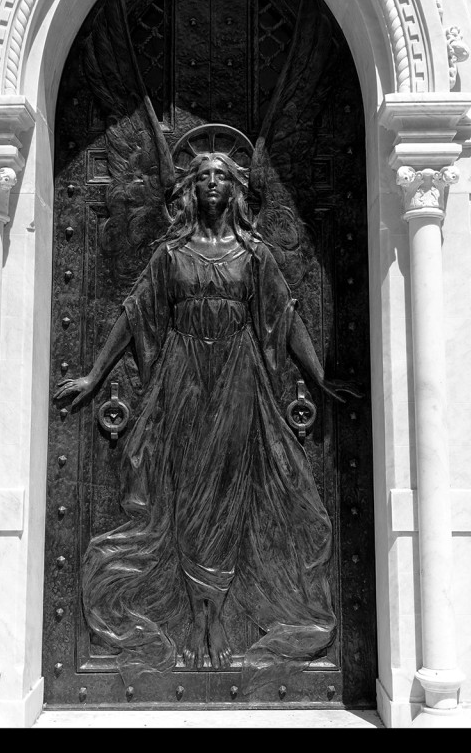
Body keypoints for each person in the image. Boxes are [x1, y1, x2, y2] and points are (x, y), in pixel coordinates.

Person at [54, 152, 359, 691]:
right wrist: (94, 378)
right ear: (190, 189)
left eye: (221, 176)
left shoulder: (255, 254)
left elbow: (284, 317)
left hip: (239, 377)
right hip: (182, 378)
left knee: (226, 496)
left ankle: (218, 620)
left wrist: (317, 378)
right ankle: (198, 621)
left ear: (234, 188)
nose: (212, 184)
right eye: (203, 177)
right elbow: (134, 314)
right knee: (190, 494)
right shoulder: (171, 255)